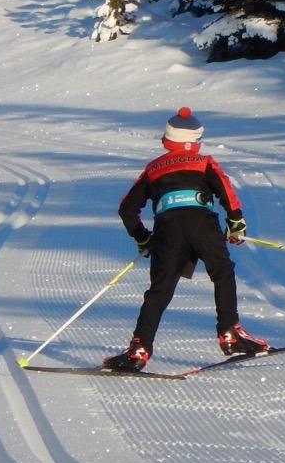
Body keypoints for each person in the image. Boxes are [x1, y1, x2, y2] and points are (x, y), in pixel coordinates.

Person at [104, 107, 267, 371]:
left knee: (160, 290)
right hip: (202, 224)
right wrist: (235, 221)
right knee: (222, 271)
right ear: (196, 141)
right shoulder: (204, 162)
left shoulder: (153, 169)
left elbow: (127, 209)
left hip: (167, 231)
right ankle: (229, 333)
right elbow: (225, 190)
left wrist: (144, 239)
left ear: (167, 140)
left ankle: (139, 350)